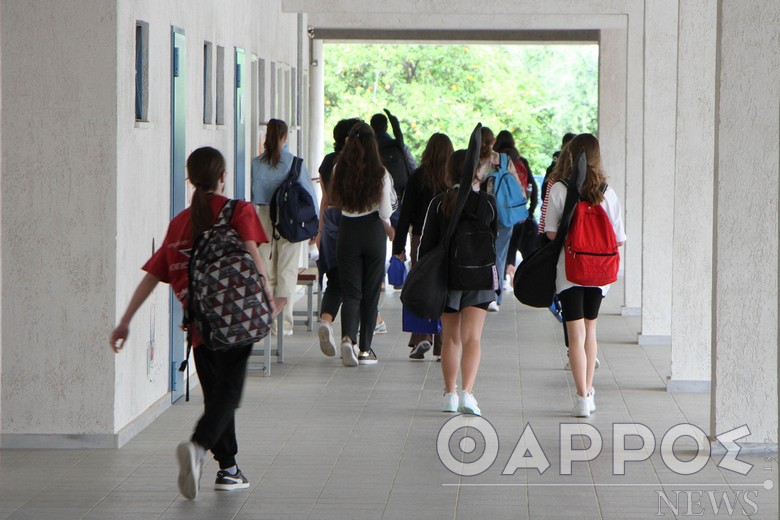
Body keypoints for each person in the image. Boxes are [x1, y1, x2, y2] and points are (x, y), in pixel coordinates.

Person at [109, 147, 272, 500]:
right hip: (238, 319)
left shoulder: (179, 223)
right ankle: (198, 446)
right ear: (222, 176)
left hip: (201, 325)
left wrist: (124, 321)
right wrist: (268, 299)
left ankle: (228, 470)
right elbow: (255, 259)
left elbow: (153, 276)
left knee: (217, 396)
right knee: (227, 395)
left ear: (191, 179)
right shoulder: (238, 211)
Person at [543, 133, 626, 418]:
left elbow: (550, 233)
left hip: (570, 270)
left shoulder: (560, 189)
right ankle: (589, 391)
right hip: (600, 274)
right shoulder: (607, 192)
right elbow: (619, 239)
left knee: (574, 333)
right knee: (591, 330)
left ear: (570, 154)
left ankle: (581, 397)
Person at [419, 149, 497, 415]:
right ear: (476, 172)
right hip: (479, 277)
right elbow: (494, 241)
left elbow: (425, 245)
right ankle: (468, 393)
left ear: (449, 172)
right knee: (473, 338)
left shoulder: (439, 203)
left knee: (451, 338)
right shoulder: (487, 203)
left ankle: (450, 394)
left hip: (448, 278)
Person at [329, 121, 397, 366]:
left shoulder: (339, 169)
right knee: (370, 293)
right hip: (372, 232)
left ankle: (348, 338)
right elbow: (386, 212)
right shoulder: (380, 172)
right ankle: (366, 350)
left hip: (347, 230)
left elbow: (335, 201)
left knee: (351, 292)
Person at [251, 119, 318, 336]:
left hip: (262, 218)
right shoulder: (294, 163)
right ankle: (284, 325)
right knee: (287, 271)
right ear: (284, 137)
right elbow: (309, 196)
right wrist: (313, 226)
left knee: (267, 272)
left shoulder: (255, 164)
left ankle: (268, 320)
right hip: (289, 219)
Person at [392, 132, 453, 361]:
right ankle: (443, 345)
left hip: (421, 240)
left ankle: (422, 337)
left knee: (422, 287)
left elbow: (404, 214)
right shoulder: (453, 178)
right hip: (448, 241)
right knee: (446, 289)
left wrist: (398, 247)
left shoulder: (418, 177)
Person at [475, 126, 521, 312]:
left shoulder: (472, 160)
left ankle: (478, 294)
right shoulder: (503, 159)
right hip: (503, 213)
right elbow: (516, 186)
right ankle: (494, 296)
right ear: (493, 141)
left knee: (478, 254)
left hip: (478, 213)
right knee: (499, 255)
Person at [493, 130, 538, 286]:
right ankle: (513, 276)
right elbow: (532, 186)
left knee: (501, 247)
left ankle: (501, 280)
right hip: (518, 210)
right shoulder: (521, 160)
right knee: (513, 242)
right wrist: (530, 210)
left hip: (498, 210)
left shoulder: (496, 160)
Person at [370, 110, 417, 227]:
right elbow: (412, 167)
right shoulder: (398, 145)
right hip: (400, 195)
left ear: (372, 127)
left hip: (376, 198)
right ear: (386, 127)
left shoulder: (368, 149)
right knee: (400, 232)